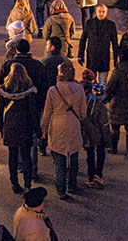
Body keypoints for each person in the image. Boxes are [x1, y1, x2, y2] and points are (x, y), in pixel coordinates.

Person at [40, 60, 86, 201]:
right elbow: (83, 113)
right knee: (73, 156)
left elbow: (47, 113)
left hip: (58, 125)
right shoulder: (79, 89)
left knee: (59, 158)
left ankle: (61, 190)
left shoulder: (53, 90)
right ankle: (72, 184)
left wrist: (44, 129)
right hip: (73, 124)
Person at [0, 63, 39, 193]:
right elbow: (33, 112)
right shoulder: (29, 90)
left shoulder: (4, 89)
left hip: (10, 125)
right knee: (26, 156)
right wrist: (37, 128)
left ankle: (14, 183)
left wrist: (1, 126)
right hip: (25, 125)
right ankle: (27, 184)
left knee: (12, 155)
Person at [104, 48, 128, 159]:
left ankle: (114, 148)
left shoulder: (118, 72)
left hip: (117, 104)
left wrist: (106, 98)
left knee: (115, 128)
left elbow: (110, 87)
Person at [77, 4, 118, 84]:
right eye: (99, 11)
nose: (101, 13)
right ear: (96, 12)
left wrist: (116, 58)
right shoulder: (89, 23)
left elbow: (114, 43)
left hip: (104, 57)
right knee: (90, 83)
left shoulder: (111, 25)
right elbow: (83, 39)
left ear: (106, 13)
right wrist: (80, 55)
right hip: (92, 57)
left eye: (103, 12)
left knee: (102, 83)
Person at [82, 82, 111, 189]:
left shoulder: (84, 102)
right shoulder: (101, 107)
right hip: (98, 135)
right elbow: (104, 125)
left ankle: (90, 177)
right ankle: (98, 175)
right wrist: (108, 141)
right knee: (100, 154)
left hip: (87, 134)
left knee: (90, 156)